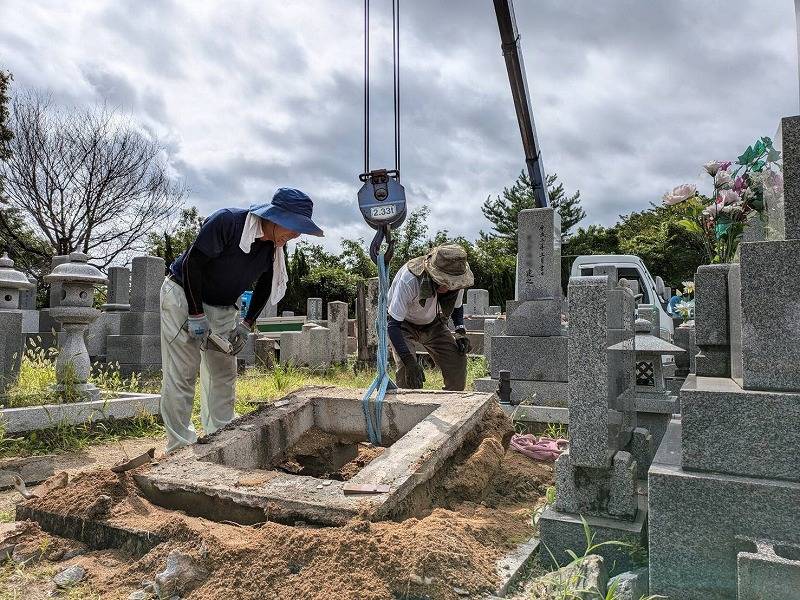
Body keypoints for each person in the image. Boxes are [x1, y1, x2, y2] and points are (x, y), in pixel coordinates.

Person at [159, 188, 323, 452]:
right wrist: (196, 313)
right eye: (293, 227)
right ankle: (179, 445)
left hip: (224, 305)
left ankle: (220, 437)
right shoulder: (228, 223)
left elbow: (266, 285)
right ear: (275, 219)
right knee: (183, 373)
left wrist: (247, 324)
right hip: (183, 295)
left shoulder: (274, 248)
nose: (296, 235)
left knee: (223, 373)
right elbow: (193, 265)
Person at [386, 244, 474, 391]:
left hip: (434, 323)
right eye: (442, 281)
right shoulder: (410, 280)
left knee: (457, 363)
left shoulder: (458, 275)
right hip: (403, 325)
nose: (447, 287)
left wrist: (460, 331)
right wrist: (409, 362)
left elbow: (457, 307)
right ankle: (408, 409)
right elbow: (393, 325)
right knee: (407, 373)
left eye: (450, 284)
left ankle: (450, 406)